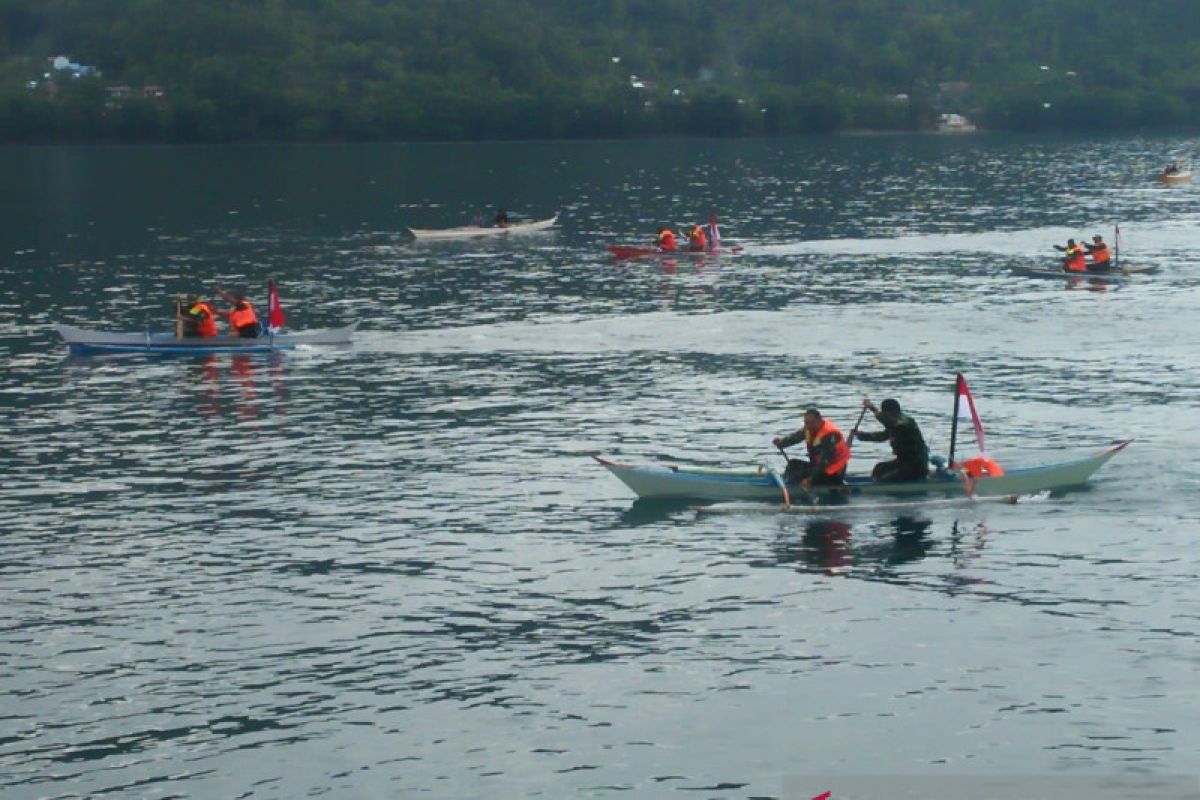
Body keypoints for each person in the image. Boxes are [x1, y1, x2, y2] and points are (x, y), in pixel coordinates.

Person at [851, 398, 930, 482]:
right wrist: (860, 435)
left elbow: (890, 422)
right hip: (903, 462)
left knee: (885, 480)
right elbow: (881, 436)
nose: (886, 417)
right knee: (879, 469)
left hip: (916, 466)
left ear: (893, 412)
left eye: (886, 415)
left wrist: (872, 408)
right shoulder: (894, 426)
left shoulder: (906, 422)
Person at [773, 408, 851, 489]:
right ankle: (788, 485)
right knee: (793, 464)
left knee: (796, 469)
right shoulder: (809, 428)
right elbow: (795, 437)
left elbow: (824, 462)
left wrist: (811, 479)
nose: (808, 426)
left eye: (811, 423)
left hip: (834, 473)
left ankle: (791, 488)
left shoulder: (830, 434)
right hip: (820, 468)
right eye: (806, 423)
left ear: (819, 421)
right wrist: (782, 443)